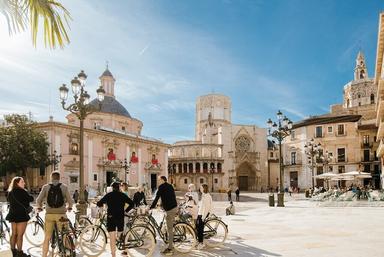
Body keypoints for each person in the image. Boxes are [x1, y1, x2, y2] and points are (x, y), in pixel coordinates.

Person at [36, 171, 73, 257]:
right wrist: (69, 207)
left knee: (47, 238)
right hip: (61, 215)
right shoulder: (64, 187)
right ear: (59, 178)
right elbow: (70, 201)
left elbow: (38, 200)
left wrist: (40, 207)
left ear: (51, 178)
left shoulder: (45, 187)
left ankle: (44, 255)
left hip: (49, 215)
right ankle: (68, 253)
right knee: (64, 235)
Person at [97, 182, 134, 257]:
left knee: (112, 237)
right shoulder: (122, 195)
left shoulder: (109, 195)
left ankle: (113, 255)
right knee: (120, 235)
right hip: (120, 217)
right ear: (119, 187)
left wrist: (101, 207)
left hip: (111, 218)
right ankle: (124, 251)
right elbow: (132, 203)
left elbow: (99, 203)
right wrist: (126, 211)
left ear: (112, 188)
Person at [6, 177, 34, 257]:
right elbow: (31, 199)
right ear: (17, 183)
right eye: (22, 182)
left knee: (14, 234)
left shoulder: (10, 192)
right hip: (21, 216)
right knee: (20, 235)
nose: (24, 183)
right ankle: (20, 253)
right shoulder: (23, 191)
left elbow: (9, 201)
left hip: (12, 215)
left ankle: (13, 252)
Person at [150, 176, 177, 255]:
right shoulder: (170, 186)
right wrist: (161, 205)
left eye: (159, 180)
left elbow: (157, 197)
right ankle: (169, 241)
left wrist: (151, 207)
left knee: (170, 229)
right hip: (174, 207)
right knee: (167, 225)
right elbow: (168, 197)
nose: (158, 181)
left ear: (162, 180)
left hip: (170, 209)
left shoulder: (161, 187)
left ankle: (170, 248)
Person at [196, 184, 212, 250]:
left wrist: (203, 217)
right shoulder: (203, 195)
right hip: (200, 213)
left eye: (201, 188)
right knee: (197, 227)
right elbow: (202, 205)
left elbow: (207, 207)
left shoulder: (207, 196)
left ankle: (201, 243)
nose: (200, 189)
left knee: (200, 229)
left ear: (204, 188)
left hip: (203, 214)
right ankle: (199, 240)